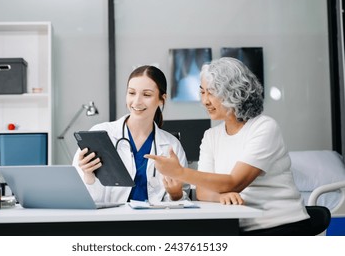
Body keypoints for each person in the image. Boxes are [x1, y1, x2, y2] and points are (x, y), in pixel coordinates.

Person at [145, 57, 311, 235]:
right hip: (235, 225)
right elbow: (202, 192)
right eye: (202, 92)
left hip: (279, 224)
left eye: (212, 93)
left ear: (235, 92)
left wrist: (179, 172)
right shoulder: (211, 136)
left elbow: (235, 182)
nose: (205, 101)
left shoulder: (264, 127)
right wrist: (221, 196)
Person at [73, 65, 189, 204]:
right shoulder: (100, 135)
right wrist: (88, 176)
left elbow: (182, 204)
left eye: (147, 94)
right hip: (111, 221)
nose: (137, 101)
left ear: (161, 99)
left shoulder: (171, 145)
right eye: (132, 93)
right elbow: (81, 197)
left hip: (155, 222)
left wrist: (175, 194)